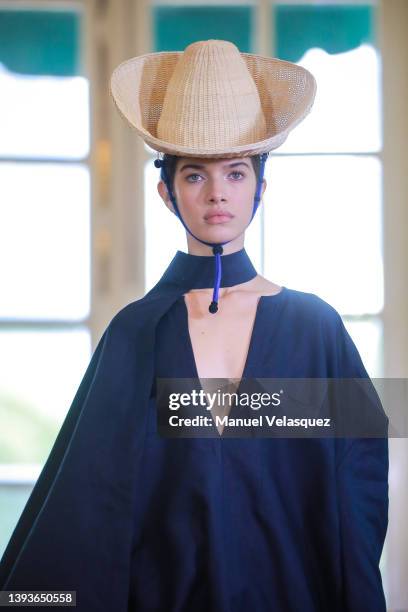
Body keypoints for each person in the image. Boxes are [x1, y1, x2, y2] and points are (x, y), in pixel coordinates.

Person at [0, 40, 388, 612]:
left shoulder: (317, 328)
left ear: (261, 186)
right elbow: (87, 504)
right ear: (166, 191)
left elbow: (359, 489)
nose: (216, 195)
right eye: (194, 175)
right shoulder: (135, 333)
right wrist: (37, 598)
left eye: (235, 172)